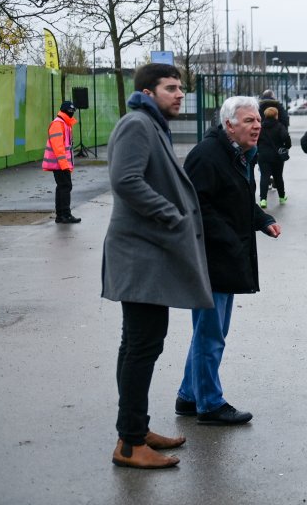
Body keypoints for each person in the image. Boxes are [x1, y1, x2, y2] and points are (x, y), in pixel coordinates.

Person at [102, 63, 213, 469]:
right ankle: (130, 443)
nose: (179, 94)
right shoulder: (137, 124)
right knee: (142, 345)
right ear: (148, 92)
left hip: (146, 255)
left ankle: (135, 428)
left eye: (181, 87)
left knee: (137, 344)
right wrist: (172, 214)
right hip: (141, 254)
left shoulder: (150, 124)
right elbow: (126, 180)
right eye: (171, 88)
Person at [175, 96, 281, 426]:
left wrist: (261, 219)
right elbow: (197, 208)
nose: (257, 125)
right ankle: (210, 404)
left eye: (258, 120)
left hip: (225, 257)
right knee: (210, 334)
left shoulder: (238, 155)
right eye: (249, 120)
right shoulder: (207, 157)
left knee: (212, 331)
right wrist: (230, 238)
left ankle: (189, 395)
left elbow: (237, 200)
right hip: (210, 259)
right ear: (229, 125)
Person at [42, 100, 80, 223]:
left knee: (62, 187)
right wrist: (65, 165)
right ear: (65, 111)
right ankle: (65, 214)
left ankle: (61, 215)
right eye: (70, 111)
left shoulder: (64, 123)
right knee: (65, 186)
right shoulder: (59, 124)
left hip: (60, 163)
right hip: (60, 164)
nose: (72, 114)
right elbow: (58, 147)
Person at [256, 105, 291, 207]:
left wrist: (259, 148)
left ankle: (263, 200)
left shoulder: (260, 127)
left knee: (264, 176)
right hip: (277, 156)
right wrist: (286, 146)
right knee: (278, 176)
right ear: (276, 115)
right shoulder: (280, 126)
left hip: (263, 155)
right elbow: (286, 137)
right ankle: (282, 197)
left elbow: (256, 140)